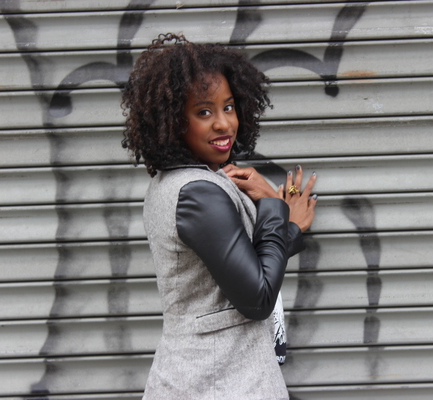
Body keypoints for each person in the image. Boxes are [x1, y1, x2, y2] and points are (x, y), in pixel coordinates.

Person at [121, 33, 317, 399]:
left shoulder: (183, 182)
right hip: (217, 381)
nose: (224, 124)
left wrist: (288, 227)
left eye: (229, 107)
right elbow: (257, 297)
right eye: (204, 112)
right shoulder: (198, 192)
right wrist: (277, 209)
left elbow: (235, 266)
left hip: (214, 375)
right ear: (173, 121)